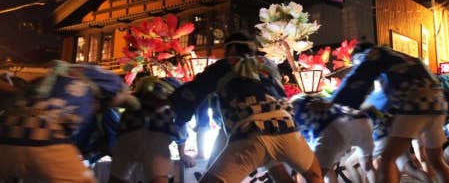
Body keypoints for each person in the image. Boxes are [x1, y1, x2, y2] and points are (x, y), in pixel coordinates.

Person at [170, 32, 322, 183]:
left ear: (233, 48)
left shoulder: (224, 65)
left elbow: (194, 91)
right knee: (313, 176)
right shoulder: (268, 64)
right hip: (287, 129)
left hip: (250, 131)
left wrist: (173, 107)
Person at [331, 42, 449, 183]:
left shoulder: (372, 55)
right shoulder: (402, 57)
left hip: (414, 103)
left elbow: (357, 80)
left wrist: (335, 103)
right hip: (437, 104)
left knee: (386, 159)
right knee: (437, 160)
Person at [0, 60, 137, 182]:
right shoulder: (92, 89)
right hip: (43, 134)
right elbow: (119, 94)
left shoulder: (57, 82)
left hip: (6, 133)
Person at [109, 76, 195, 183]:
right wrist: (182, 154)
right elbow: (181, 126)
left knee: (117, 179)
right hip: (156, 135)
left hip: (126, 135)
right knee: (158, 178)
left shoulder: (142, 92)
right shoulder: (173, 99)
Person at [291, 94, 375, 182]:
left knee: (313, 174)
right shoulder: (313, 98)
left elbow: (305, 139)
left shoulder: (294, 109)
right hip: (360, 122)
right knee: (367, 168)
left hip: (331, 130)